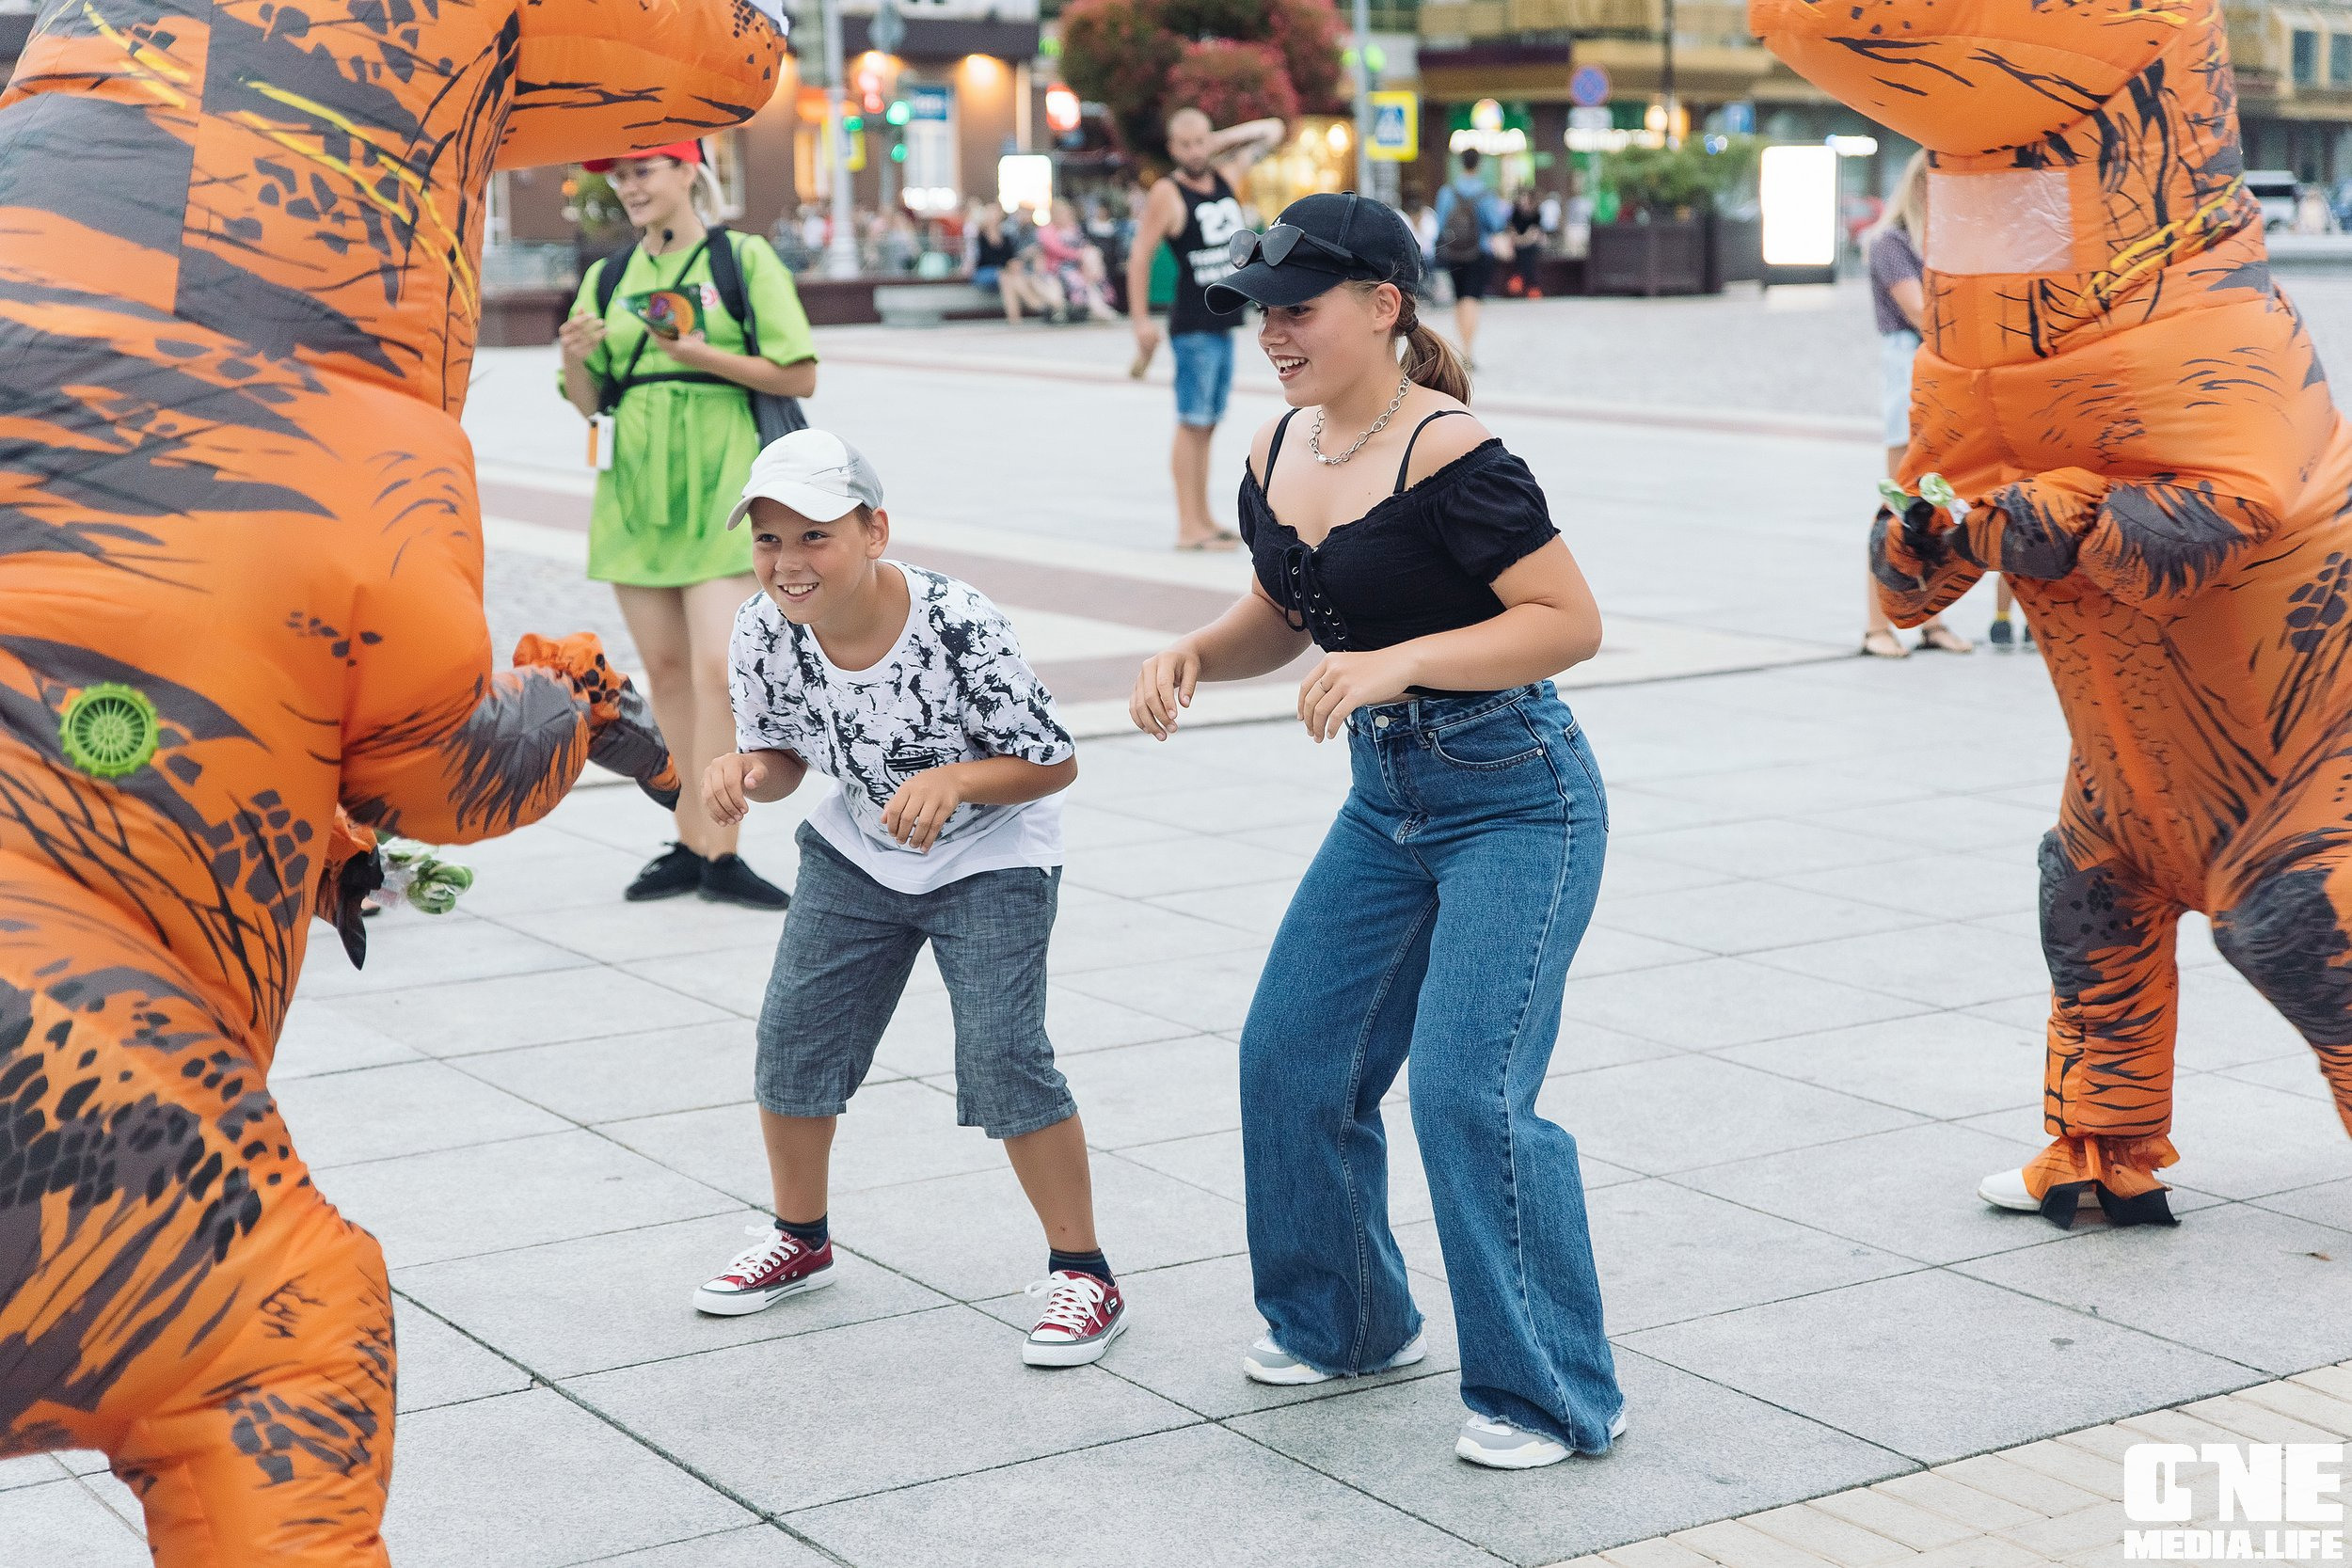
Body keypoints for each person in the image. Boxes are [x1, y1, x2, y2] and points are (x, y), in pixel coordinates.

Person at [1128, 193, 1624, 1470]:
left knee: (1470, 1092)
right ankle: (1349, 1323)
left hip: (1518, 795)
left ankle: (1554, 1392)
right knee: (1290, 1054)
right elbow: (1279, 612)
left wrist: (1401, 662)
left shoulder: (1454, 452)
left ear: (1383, 306)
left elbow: (1567, 620)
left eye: (1296, 307)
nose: (1272, 332)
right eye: (1262, 311)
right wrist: (1194, 648)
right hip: (1386, 802)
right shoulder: (1278, 447)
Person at [696, 429, 1127, 1367]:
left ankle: (1084, 1271)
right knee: (793, 1037)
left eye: (814, 535)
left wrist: (959, 781)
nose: (788, 561)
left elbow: (1053, 760)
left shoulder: (957, 619)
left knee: (1005, 1052)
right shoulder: (763, 626)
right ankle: (799, 1236)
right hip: (860, 849)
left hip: (993, 854)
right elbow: (782, 757)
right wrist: (743, 772)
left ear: (874, 529)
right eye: (769, 539)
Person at [558, 142, 816, 906]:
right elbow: (585, 400)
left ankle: (724, 849)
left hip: (723, 484)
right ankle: (690, 840)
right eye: (621, 174)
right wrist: (575, 359)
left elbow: (798, 371)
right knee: (665, 674)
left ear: (686, 173)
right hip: (636, 489)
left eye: (644, 170)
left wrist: (702, 354)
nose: (631, 186)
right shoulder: (606, 277)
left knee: (717, 670)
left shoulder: (741, 258)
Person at [1126, 106, 1287, 550]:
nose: (1196, 150)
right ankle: (1187, 525)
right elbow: (1140, 255)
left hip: (1223, 322)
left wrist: (1217, 138)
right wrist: (1140, 321)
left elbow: (1272, 129)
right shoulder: (1168, 192)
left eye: (1202, 141)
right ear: (1173, 148)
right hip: (1193, 325)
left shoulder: (1225, 178)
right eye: (1187, 143)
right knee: (1192, 421)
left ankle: (1202, 518)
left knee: (1209, 424)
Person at [1862, 150, 1973, 658]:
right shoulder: (1891, 243)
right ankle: (1876, 625)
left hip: (1940, 376)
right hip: (1909, 374)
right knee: (1895, 500)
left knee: (1934, 501)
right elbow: (1921, 313)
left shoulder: (1943, 244)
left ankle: (1931, 619)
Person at [1433, 149, 1507, 368]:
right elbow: (1496, 224)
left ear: (1460, 164)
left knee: (1459, 300)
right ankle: (1467, 350)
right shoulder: (1486, 194)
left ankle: (1462, 348)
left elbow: (1440, 224)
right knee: (1472, 300)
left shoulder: (1447, 192)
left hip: (1454, 253)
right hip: (1479, 252)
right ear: (1479, 165)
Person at [968, 201, 1041, 322]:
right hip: (984, 272)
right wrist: (1007, 264)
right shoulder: (979, 235)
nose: (994, 215)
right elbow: (982, 259)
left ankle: (1016, 318)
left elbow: (1011, 256)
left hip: (1005, 272)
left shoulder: (1006, 235)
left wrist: (1012, 263)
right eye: (991, 212)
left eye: (996, 212)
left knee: (1012, 278)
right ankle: (1035, 306)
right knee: (1006, 277)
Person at [1504, 188, 1546, 298]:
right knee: (1522, 253)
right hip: (1518, 243)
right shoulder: (1515, 213)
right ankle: (1532, 286)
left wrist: (1523, 240)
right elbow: (1512, 231)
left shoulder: (1536, 213)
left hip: (1530, 243)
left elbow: (1534, 232)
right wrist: (1519, 240)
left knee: (1528, 253)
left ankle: (1519, 278)